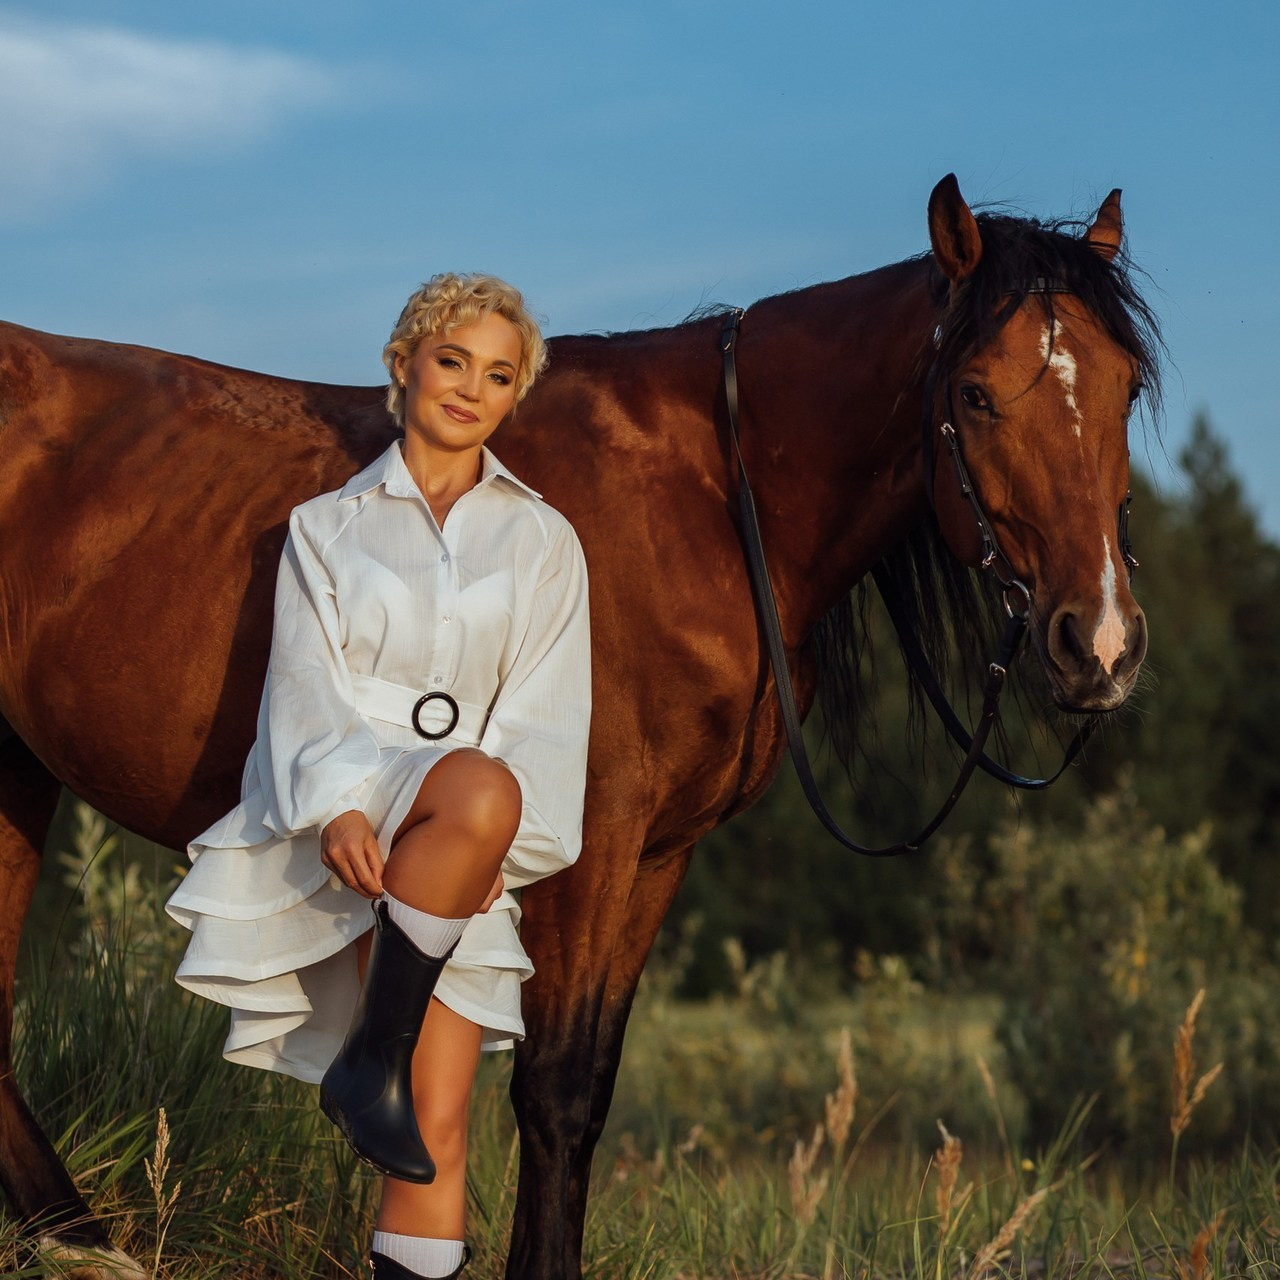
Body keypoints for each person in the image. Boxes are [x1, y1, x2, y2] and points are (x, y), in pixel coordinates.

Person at [167, 273, 591, 1280]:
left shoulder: (544, 540)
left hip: (461, 831)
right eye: (452, 361)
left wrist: (495, 849)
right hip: (354, 803)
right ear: (404, 365)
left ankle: (373, 1063)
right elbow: (303, 686)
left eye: (498, 375)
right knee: (480, 786)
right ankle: (370, 1062)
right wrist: (339, 806)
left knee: (434, 1124)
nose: (470, 389)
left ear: (511, 396)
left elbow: (547, 705)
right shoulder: (326, 528)